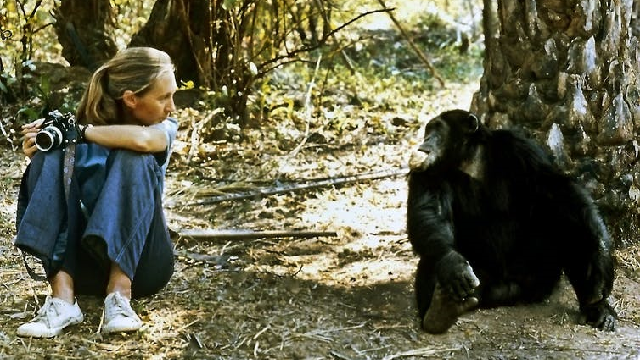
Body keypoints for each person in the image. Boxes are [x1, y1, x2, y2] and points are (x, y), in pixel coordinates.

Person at [15, 46, 179, 338]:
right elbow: (64, 202)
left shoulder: (161, 128)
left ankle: (119, 295)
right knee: (52, 155)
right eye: (165, 97)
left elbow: (141, 142)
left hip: (144, 266)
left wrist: (78, 132)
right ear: (131, 98)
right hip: (85, 269)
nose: (172, 106)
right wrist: (39, 157)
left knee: (132, 157)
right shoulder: (77, 133)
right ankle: (62, 298)